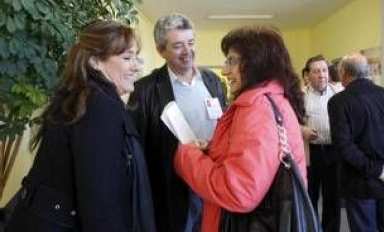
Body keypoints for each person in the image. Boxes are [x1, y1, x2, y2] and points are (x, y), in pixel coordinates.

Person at [5, 20, 156, 232]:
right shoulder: (98, 106)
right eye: (126, 58)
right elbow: (101, 202)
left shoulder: (85, 98)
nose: (136, 66)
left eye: (135, 57)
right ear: (95, 62)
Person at [174, 26, 307, 232]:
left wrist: (187, 155)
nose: (225, 71)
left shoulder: (258, 107)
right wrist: (212, 150)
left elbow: (239, 191)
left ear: (257, 62)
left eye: (232, 61)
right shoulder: (268, 100)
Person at [127, 13, 227, 232]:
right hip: (173, 186)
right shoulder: (145, 90)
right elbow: (137, 151)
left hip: (213, 178)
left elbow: (225, 125)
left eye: (191, 43)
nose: (187, 51)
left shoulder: (213, 81)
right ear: (161, 51)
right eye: (178, 46)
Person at [328, 53, 384, 232]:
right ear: (367, 72)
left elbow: (344, 147)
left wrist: (377, 170)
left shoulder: (338, 102)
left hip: (360, 182)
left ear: (343, 72)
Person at [302, 55, 341, 232]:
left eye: (324, 70)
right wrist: (302, 130)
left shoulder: (338, 94)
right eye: (316, 71)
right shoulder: (300, 96)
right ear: (308, 75)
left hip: (333, 152)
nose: (321, 75)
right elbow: (289, 123)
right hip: (311, 153)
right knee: (310, 197)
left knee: (332, 198)